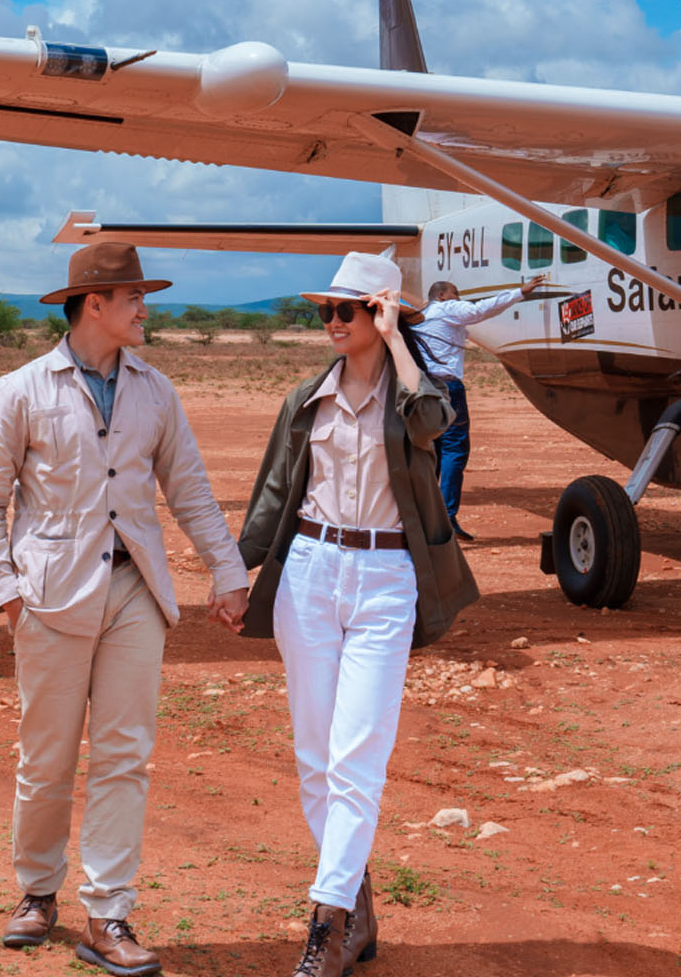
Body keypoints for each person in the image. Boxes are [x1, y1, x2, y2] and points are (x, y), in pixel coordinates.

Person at [0, 241, 250, 977]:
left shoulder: (156, 391)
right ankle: (37, 891)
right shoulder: (21, 390)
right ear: (95, 305)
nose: (145, 309)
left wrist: (228, 572)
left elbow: (189, 488)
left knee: (125, 756)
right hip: (51, 596)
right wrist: (6, 592)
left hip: (134, 593)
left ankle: (108, 913)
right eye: (134, 298)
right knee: (47, 757)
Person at [231, 250, 479, 977]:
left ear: (380, 313)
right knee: (315, 760)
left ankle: (326, 923)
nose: (333, 322)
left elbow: (435, 423)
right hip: (309, 572)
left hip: (385, 578)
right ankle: (357, 903)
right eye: (327, 311)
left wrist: (399, 340)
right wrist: (233, 572)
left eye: (349, 310)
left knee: (357, 758)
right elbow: (273, 493)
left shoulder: (413, 396)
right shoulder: (306, 398)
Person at [409, 273, 548, 540]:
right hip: (448, 388)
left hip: (423, 388)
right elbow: (480, 310)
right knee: (454, 448)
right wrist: (520, 292)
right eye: (455, 293)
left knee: (431, 449)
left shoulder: (420, 317)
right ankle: (446, 517)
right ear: (442, 295)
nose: (459, 298)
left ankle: (423, 517)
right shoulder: (447, 308)